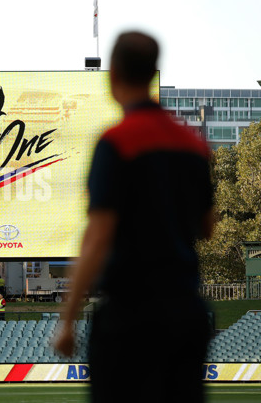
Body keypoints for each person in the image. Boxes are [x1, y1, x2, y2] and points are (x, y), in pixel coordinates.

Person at [54, 32, 214, 403]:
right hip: (187, 315)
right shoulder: (194, 144)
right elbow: (207, 227)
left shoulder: (116, 142)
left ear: (115, 74)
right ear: (153, 72)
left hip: (131, 318)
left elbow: (98, 237)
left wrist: (68, 321)